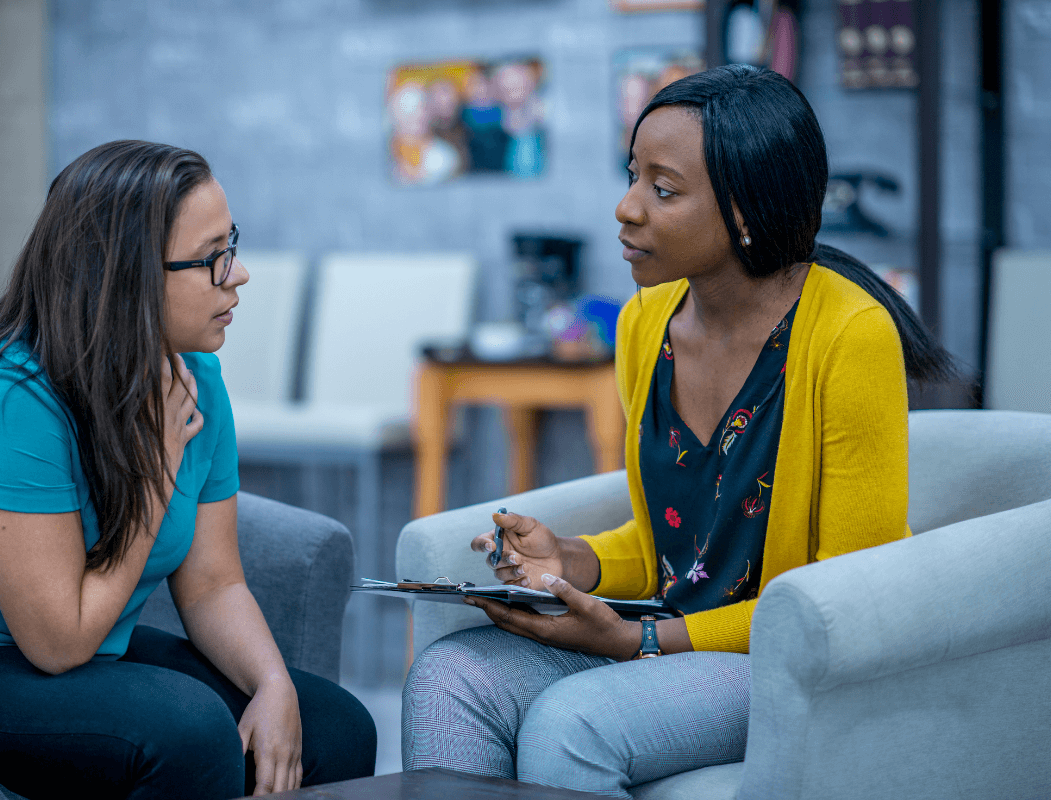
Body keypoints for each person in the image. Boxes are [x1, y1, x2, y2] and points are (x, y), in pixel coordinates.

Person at [402, 65, 954, 798]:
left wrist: (642, 641)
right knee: (450, 677)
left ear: (747, 211)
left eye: (663, 190)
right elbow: (675, 543)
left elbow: (843, 603)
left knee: (573, 722)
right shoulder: (645, 323)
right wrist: (570, 562)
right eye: (633, 177)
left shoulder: (850, 335)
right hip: (671, 633)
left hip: (780, 661)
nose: (627, 209)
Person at [0, 140, 376, 799]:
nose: (239, 274)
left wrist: (273, 684)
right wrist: (157, 467)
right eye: (212, 257)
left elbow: (215, 584)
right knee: (187, 732)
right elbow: (57, 643)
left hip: (88, 644)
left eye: (233, 243)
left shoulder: (194, 375)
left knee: (336, 726)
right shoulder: (4, 400)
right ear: (123, 274)